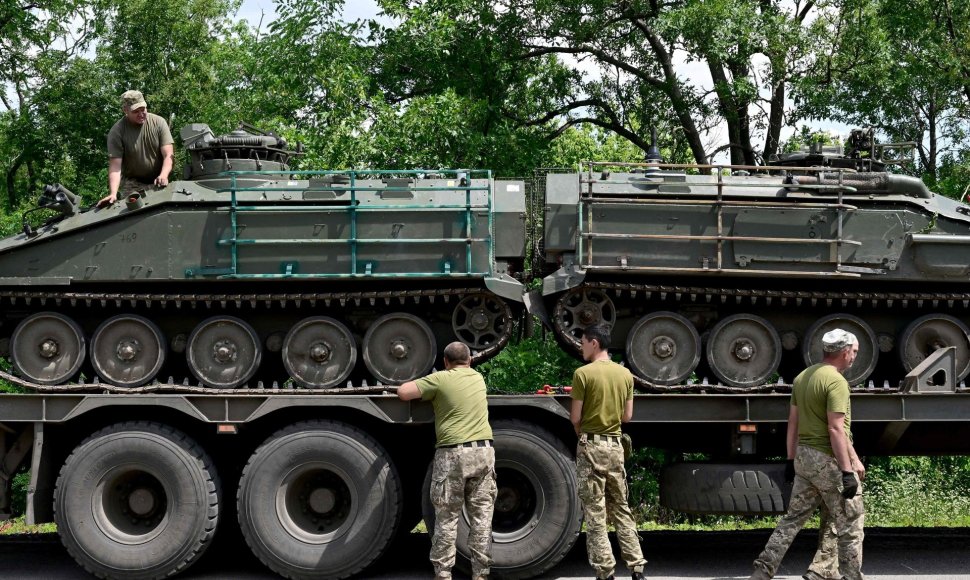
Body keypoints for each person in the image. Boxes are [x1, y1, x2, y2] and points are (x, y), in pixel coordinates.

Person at [750, 328, 866, 580]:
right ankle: (851, 576)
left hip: (804, 457)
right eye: (853, 352)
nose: (853, 357)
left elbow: (793, 423)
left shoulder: (803, 377)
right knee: (851, 521)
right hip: (827, 459)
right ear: (844, 352)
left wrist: (791, 460)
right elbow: (836, 429)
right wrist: (847, 471)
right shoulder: (836, 381)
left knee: (792, 520)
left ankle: (762, 570)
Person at [397, 341, 496, 580]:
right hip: (483, 452)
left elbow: (403, 392)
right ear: (470, 360)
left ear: (445, 362)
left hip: (453, 454)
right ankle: (481, 574)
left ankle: (443, 574)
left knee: (447, 518)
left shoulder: (441, 379)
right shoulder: (478, 378)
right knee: (482, 518)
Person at [570, 323, 646, 580]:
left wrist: (583, 435)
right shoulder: (625, 374)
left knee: (595, 510)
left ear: (594, 343)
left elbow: (575, 416)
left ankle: (605, 572)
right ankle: (637, 567)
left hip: (591, 445)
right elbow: (628, 416)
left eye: (582, 342)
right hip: (615, 446)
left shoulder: (582, 374)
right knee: (621, 508)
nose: (580, 346)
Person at [98, 90, 174, 207]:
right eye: (135, 111)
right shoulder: (117, 131)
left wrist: (164, 175)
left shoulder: (159, 122)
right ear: (125, 111)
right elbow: (115, 166)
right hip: (133, 183)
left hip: (159, 179)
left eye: (143, 109)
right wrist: (113, 193)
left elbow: (168, 155)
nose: (141, 113)